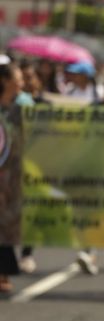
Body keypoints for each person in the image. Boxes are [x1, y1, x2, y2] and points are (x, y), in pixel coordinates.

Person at [0, 61, 32, 291]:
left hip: (14, 175)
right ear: (5, 81)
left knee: (7, 223)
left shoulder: (22, 106)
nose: (21, 80)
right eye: (17, 77)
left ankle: (4, 271)